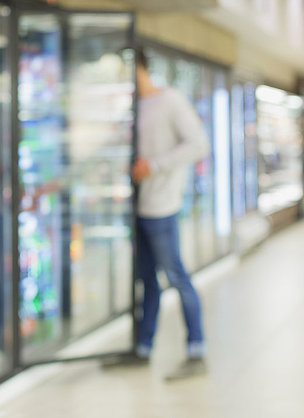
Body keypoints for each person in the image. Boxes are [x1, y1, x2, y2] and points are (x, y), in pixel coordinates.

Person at [131, 47, 210, 380]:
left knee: (176, 276)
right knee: (147, 281)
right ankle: (143, 348)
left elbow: (199, 145)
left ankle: (196, 348)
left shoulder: (171, 100)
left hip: (163, 206)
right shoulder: (132, 105)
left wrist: (155, 166)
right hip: (137, 207)